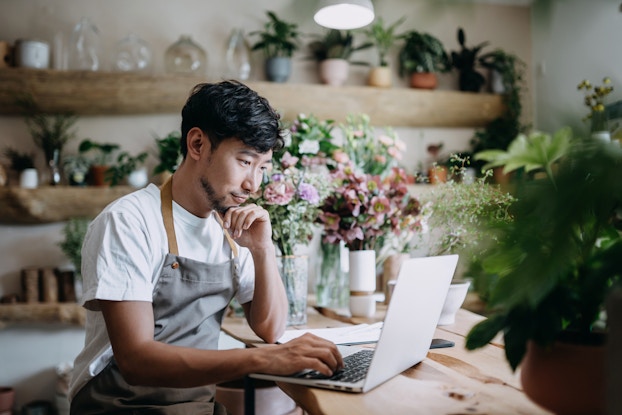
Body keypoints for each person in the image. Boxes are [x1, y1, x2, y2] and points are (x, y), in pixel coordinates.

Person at [68, 80, 343, 414]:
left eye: (263, 168)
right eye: (245, 161)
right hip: (119, 404)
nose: (252, 184)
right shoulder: (129, 221)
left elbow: (271, 329)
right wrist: (262, 359)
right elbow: (136, 360)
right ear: (197, 144)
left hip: (195, 405)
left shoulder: (232, 228)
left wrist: (262, 249)